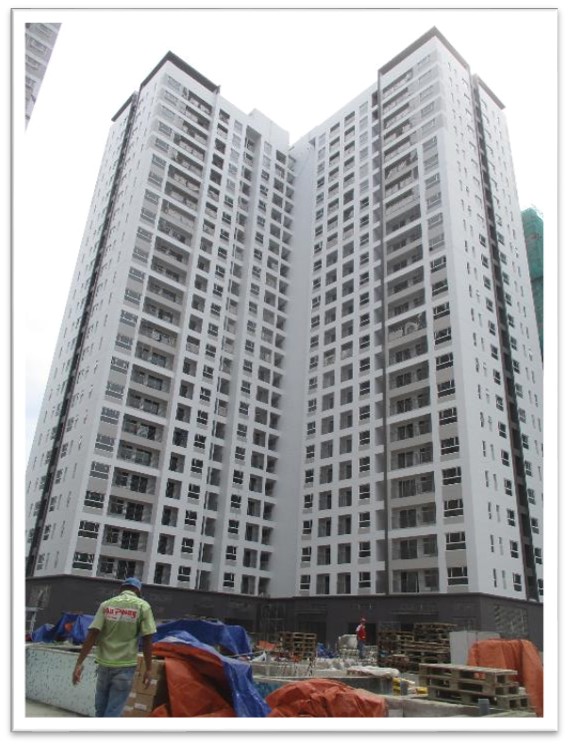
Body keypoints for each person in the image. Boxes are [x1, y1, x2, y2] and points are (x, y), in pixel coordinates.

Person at [72, 577, 157, 717]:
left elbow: (92, 634)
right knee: (113, 711)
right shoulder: (143, 606)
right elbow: (147, 639)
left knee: (100, 710)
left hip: (104, 665)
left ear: (121, 589)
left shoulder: (106, 605)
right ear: (138, 591)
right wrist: (148, 669)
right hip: (125, 666)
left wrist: (79, 663)